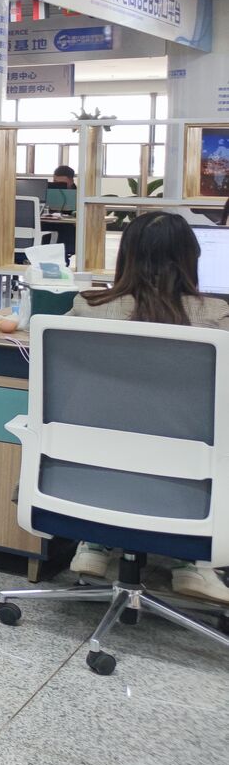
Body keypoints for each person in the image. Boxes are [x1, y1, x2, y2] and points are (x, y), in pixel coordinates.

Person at [66, 211, 229, 603]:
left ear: (126, 256)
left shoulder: (87, 307)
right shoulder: (215, 317)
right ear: (190, 259)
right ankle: (191, 563)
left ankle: (94, 543)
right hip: (184, 473)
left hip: (93, 471)